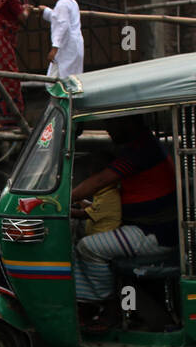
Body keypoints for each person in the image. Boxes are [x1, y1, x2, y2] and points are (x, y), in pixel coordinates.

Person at [70, 116, 178, 331]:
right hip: (146, 228)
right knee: (80, 235)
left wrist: (58, 198)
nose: (107, 128)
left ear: (129, 121)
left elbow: (100, 180)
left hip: (155, 233)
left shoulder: (141, 149)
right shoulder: (141, 145)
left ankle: (105, 306)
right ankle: (97, 304)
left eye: (112, 122)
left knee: (88, 247)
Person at [40, 0, 84, 79]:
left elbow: (62, 25)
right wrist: (46, 11)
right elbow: (59, 19)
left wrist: (55, 48)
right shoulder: (72, 2)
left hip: (66, 48)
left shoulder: (62, 5)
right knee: (74, 77)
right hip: (75, 46)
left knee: (60, 79)